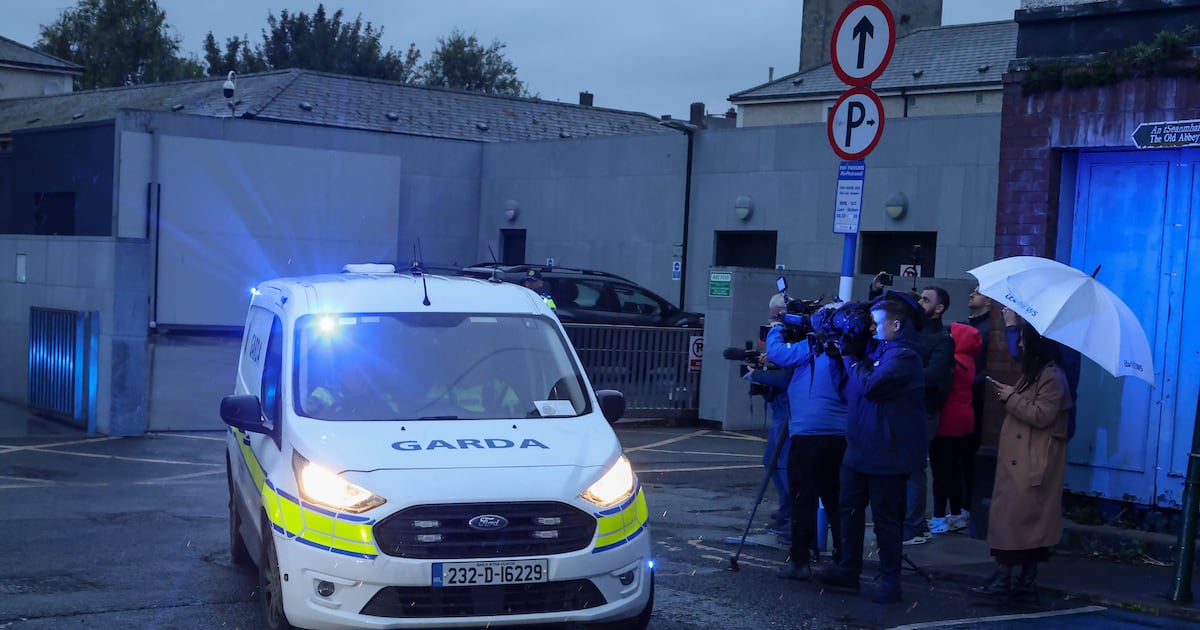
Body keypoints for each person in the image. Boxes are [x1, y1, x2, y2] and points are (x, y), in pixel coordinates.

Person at [814, 295, 926, 604]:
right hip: (859, 451)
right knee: (848, 513)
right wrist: (839, 357)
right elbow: (846, 390)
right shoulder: (876, 351)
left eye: (877, 323)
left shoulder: (905, 357)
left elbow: (871, 386)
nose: (871, 328)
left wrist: (850, 358)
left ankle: (891, 581)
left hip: (888, 455)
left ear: (897, 324)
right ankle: (848, 571)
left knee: (886, 521)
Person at [972, 322, 1072, 599]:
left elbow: (1042, 415)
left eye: (1023, 341)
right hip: (1023, 459)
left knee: (1022, 522)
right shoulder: (1037, 373)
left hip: (1032, 461)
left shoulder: (1052, 376)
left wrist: (1010, 398)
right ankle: (1014, 575)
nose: (1019, 345)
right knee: (1018, 522)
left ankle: (1009, 576)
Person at [764, 304, 848, 580]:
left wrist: (776, 324)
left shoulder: (812, 346)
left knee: (803, 499)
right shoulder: (848, 348)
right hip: (840, 436)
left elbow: (777, 353)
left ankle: (800, 561)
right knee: (836, 501)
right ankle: (842, 560)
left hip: (808, 435)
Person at [902, 285, 956, 546]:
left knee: (913, 467)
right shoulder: (913, 331)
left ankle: (914, 527)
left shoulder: (943, 340)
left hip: (924, 410)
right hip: (906, 406)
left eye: (926, 299)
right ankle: (911, 523)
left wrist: (900, 374)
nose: (920, 303)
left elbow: (934, 375)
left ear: (939, 308)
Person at [744, 293, 793, 538]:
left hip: (789, 414)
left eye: (775, 318)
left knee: (782, 464)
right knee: (772, 462)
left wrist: (756, 375)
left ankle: (791, 515)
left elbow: (787, 378)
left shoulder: (794, 341)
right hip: (781, 411)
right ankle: (787, 510)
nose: (772, 323)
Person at [929, 322, 981, 534]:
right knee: (954, 470)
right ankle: (958, 514)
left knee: (940, 471)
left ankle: (939, 518)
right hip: (964, 420)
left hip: (946, 422)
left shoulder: (953, 362)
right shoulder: (968, 361)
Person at [962, 285, 994, 517]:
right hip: (965, 396)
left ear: (990, 301)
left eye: (978, 292)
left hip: (975, 398)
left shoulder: (988, 330)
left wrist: (968, 381)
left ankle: (966, 505)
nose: (972, 294)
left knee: (968, 453)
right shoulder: (972, 325)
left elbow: (988, 367)